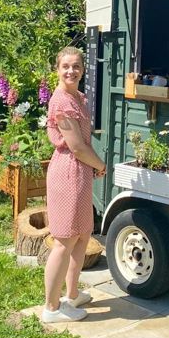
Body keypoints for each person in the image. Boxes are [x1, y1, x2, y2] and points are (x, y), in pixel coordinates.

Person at [42, 46, 107, 324]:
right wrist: (100, 165)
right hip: (68, 172)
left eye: (76, 66)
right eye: (65, 66)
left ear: (82, 69)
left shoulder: (77, 97)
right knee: (64, 241)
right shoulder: (61, 102)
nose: (71, 71)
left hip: (79, 174)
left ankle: (71, 294)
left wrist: (91, 166)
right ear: (57, 69)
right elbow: (77, 147)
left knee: (81, 236)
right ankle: (52, 308)